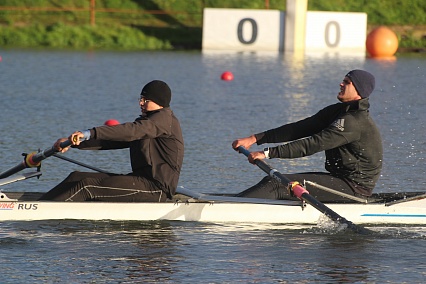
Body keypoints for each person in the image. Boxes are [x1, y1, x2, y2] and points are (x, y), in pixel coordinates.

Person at [232, 70, 382, 202]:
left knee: (276, 183)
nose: (341, 84)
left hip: (354, 188)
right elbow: (299, 129)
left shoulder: (354, 121)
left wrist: (267, 153)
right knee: (275, 182)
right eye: (343, 81)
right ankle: (234, 202)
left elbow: (313, 144)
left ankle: (231, 207)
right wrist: (255, 138)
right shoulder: (337, 112)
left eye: (346, 82)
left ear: (359, 91)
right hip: (339, 179)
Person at [39, 80, 184, 202]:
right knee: (76, 177)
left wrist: (89, 132)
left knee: (86, 185)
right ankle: (39, 205)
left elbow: (131, 131)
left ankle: (41, 213)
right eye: (140, 98)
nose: (140, 103)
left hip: (155, 189)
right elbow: (112, 141)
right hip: (139, 181)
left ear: (159, 102)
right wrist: (75, 143)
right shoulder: (149, 123)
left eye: (145, 100)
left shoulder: (163, 121)